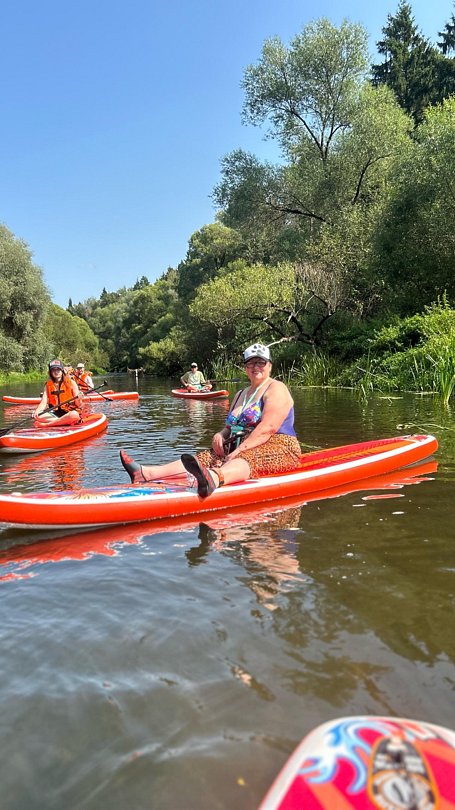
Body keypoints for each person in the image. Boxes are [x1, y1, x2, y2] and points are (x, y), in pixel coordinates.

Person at [120, 343, 302, 497]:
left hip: (278, 446)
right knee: (206, 457)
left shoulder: (276, 388)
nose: (256, 367)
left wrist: (239, 450)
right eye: (250, 363)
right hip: (240, 445)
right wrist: (221, 435)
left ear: (270, 365)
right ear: (245, 368)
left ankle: (214, 478)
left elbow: (268, 428)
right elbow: (230, 427)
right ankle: (147, 473)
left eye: (261, 362)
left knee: (246, 457)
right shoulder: (241, 394)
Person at [32, 360, 82, 426]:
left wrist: (79, 398)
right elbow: (43, 402)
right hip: (55, 414)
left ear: (62, 370)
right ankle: (62, 421)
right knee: (37, 415)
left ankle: (47, 425)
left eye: (58, 369)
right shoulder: (48, 385)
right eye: (53, 370)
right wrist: (37, 411)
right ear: (50, 372)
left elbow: (79, 405)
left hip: (69, 413)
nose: (56, 372)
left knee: (74, 415)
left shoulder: (72, 383)